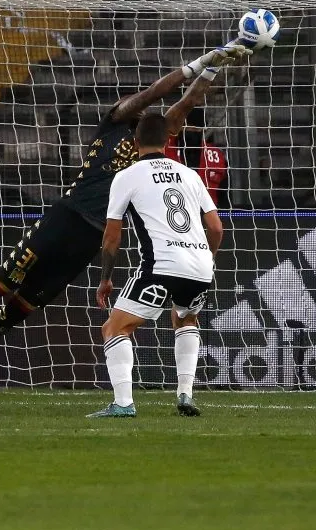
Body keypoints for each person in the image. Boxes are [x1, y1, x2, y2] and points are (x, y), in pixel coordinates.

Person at [0, 42, 250, 399]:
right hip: (65, 217)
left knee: (20, 309)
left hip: (91, 239)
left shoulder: (153, 151)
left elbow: (186, 104)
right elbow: (152, 94)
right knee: (1, 284)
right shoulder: (115, 123)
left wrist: (214, 66)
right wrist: (196, 64)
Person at [91, 113, 223, 418]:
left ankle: (123, 403)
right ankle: (185, 396)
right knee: (186, 319)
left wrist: (105, 279)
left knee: (115, 327)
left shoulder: (127, 175)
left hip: (161, 266)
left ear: (135, 142)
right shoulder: (191, 175)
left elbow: (112, 237)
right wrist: (208, 259)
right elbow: (216, 228)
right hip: (200, 266)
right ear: (168, 141)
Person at [163, 110, 228, 207]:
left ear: (202, 129)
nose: (191, 130)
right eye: (186, 127)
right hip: (172, 213)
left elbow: (224, 194)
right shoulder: (164, 151)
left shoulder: (215, 155)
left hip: (208, 216)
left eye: (196, 128)